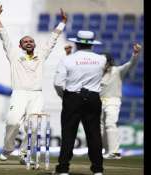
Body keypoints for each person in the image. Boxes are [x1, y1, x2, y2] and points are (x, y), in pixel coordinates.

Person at [0, 4, 67, 163]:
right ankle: (8, 148)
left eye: (31, 41)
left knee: (33, 127)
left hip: (36, 95)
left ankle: (25, 154)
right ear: (20, 46)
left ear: (35, 44)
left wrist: (62, 23)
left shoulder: (41, 55)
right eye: (25, 41)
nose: (29, 42)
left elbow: (52, 40)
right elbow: (3, 36)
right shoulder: (14, 55)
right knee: (12, 121)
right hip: (19, 93)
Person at [54, 30, 106, 175]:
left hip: (72, 97)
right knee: (94, 134)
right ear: (92, 44)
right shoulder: (101, 59)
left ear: (76, 43)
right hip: (93, 98)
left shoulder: (67, 59)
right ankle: (98, 170)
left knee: (68, 134)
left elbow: (58, 83)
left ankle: (63, 168)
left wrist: (64, 96)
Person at [100, 43, 142, 159]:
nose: (102, 64)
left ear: (109, 62)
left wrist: (135, 54)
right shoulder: (97, 73)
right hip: (99, 102)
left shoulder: (117, 71)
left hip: (113, 101)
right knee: (101, 128)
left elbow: (130, 64)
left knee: (110, 123)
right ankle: (107, 150)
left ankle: (115, 152)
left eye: (104, 61)